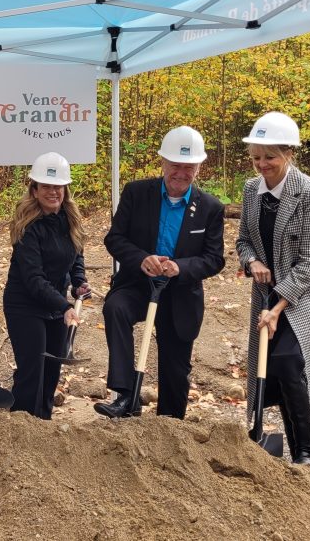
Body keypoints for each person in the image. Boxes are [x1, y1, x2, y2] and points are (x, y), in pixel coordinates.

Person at [236, 112, 310, 465]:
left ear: (289, 153)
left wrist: (276, 309)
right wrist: (252, 262)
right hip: (269, 289)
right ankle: (284, 444)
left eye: (270, 157)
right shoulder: (250, 190)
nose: (262, 165)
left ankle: (306, 454)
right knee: (274, 367)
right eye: (256, 157)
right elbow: (244, 240)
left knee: (288, 360)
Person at [95, 126, 225, 419]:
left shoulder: (210, 208)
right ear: (163, 163)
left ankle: (170, 426)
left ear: (198, 167)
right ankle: (126, 395)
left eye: (188, 167)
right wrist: (142, 259)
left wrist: (181, 267)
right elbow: (114, 239)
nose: (180, 172)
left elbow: (214, 259)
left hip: (180, 295)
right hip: (138, 285)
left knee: (175, 371)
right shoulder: (137, 193)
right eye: (175, 165)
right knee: (115, 308)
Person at [4, 152, 89, 419]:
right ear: (35, 189)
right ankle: (21, 427)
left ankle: (43, 427)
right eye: (47, 186)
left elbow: (76, 255)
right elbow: (33, 279)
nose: (53, 192)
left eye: (58, 186)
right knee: (33, 371)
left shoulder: (70, 219)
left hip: (55, 306)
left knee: (52, 372)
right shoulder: (28, 227)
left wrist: (78, 283)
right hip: (25, 305)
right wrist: (64, 305)